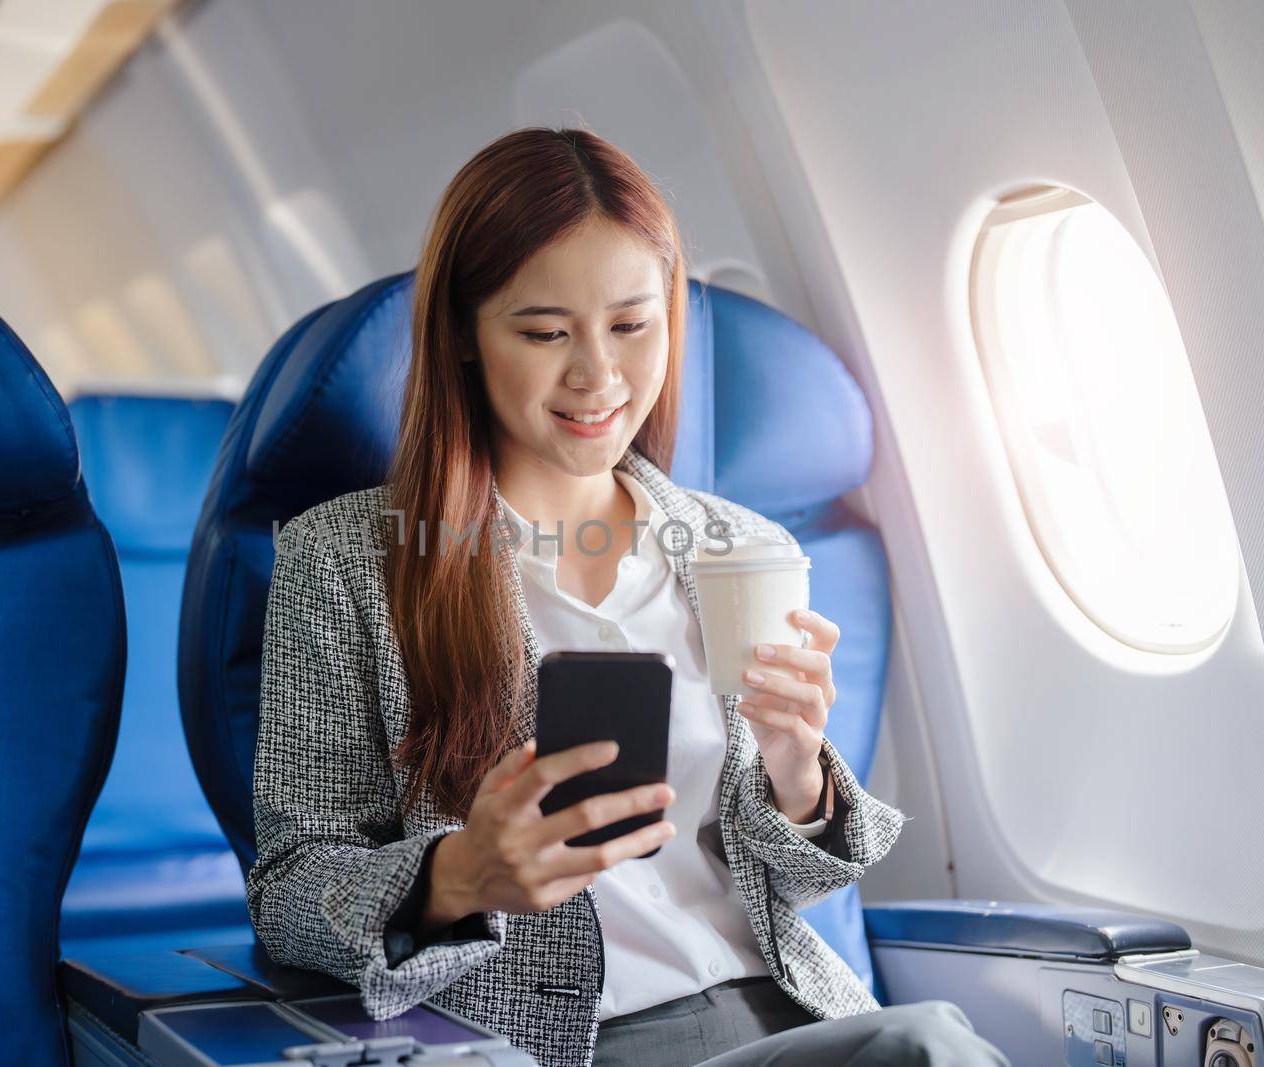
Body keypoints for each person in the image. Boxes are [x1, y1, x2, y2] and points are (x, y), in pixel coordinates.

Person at [247, 126, 1010, 1067]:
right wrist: (459, 875)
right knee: (926, 1049)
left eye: (631, 324)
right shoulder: (348, 560)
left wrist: (797, 771)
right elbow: (288, 893)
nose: (598, 375)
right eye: (544, 331)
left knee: (925, 1040)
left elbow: (802, 886)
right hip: (557, 1043)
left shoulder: (742, 547)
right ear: (463, 337)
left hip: (789, 1015)